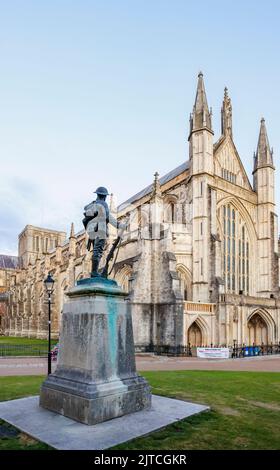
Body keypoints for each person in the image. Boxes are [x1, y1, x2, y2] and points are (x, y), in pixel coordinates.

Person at [83, 186, 125, 277]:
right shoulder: (104, 204)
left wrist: (119, 225)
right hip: (101, 230)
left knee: (96, 250)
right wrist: (120, 226)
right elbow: (108, 217)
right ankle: (94, 272)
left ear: (97, 195)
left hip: (92, 232)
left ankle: (94, 271)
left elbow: (85, 209)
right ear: (105, 196)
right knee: (98, 250)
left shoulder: (92, 205)